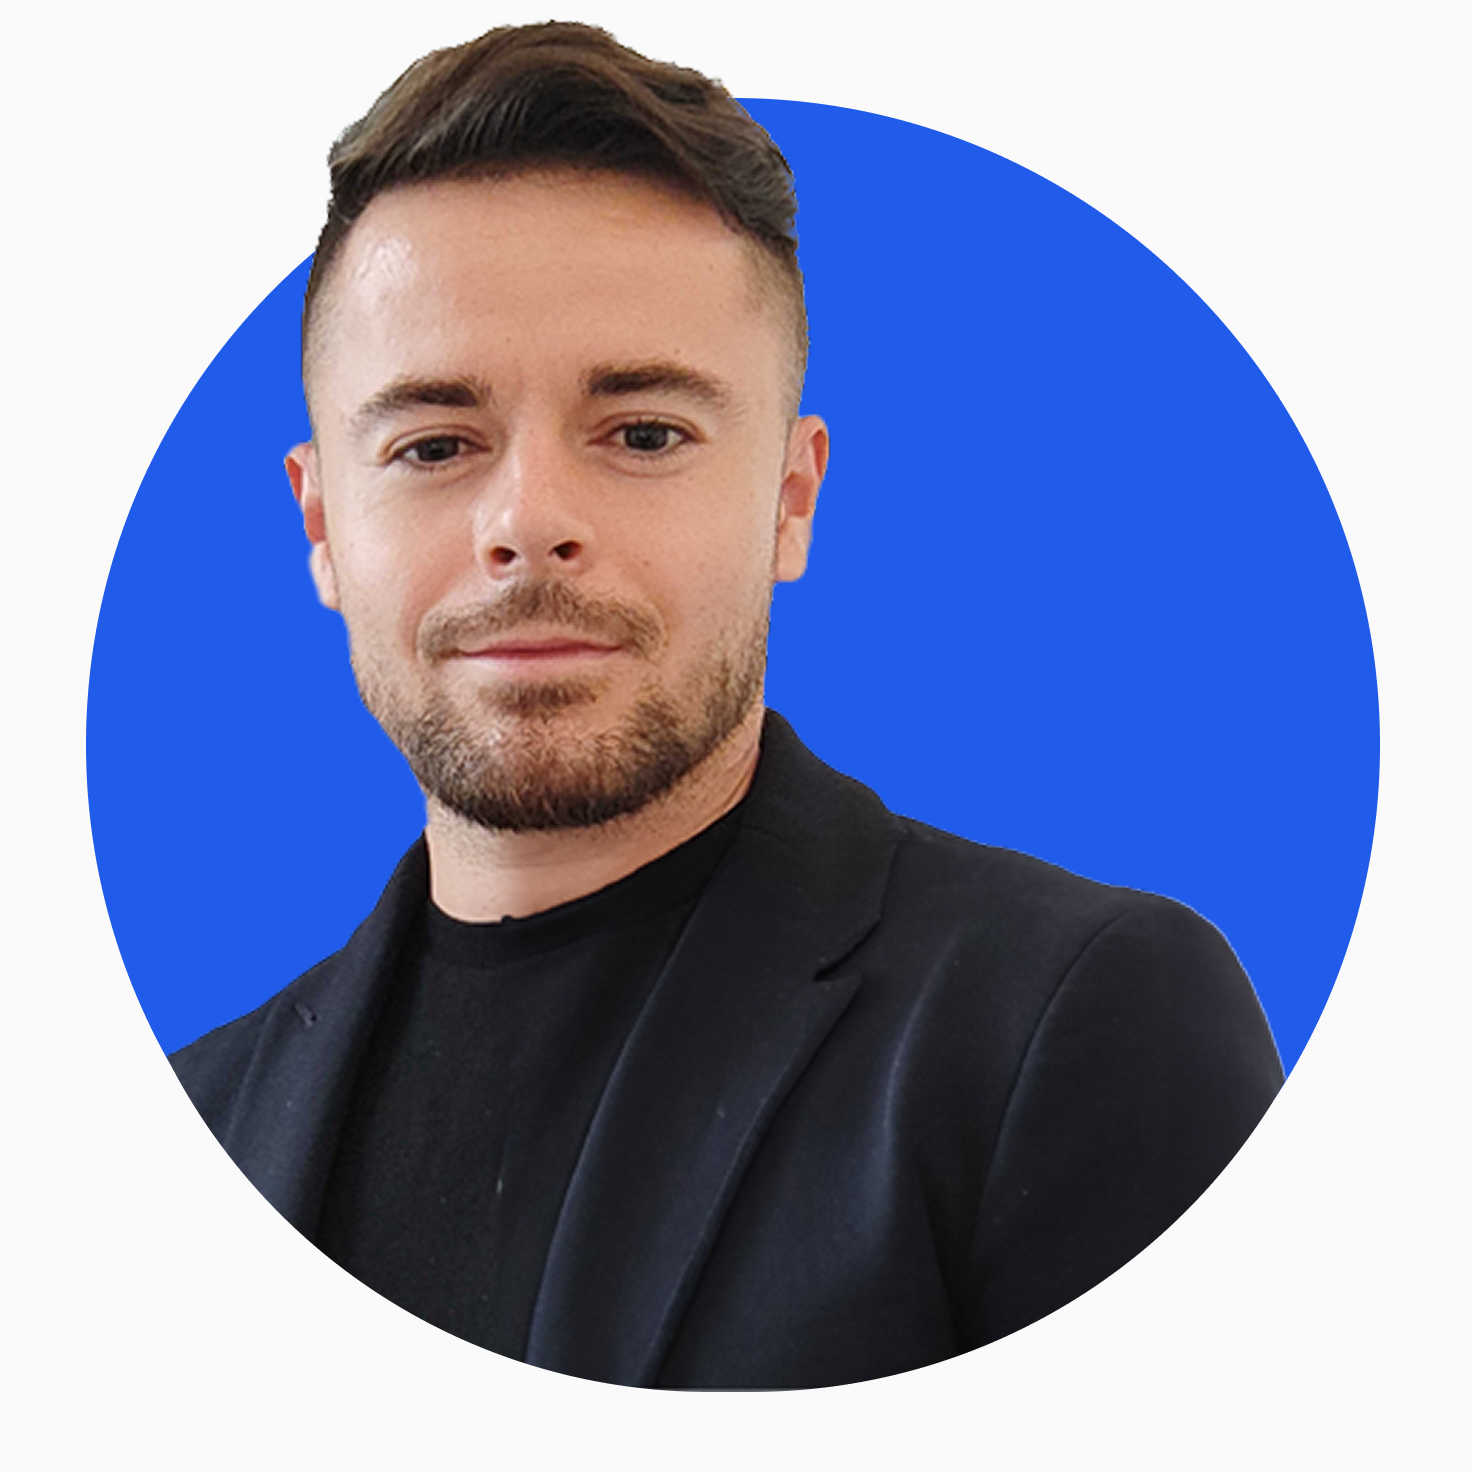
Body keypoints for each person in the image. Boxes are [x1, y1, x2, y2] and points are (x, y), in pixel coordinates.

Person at [171, 21, 1283, 1391]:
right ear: (324, 523)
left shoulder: (1085, 1026)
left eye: (643, 433)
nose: (527, 524)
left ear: (791, 499)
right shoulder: (189, 1124)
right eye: (435, 444)